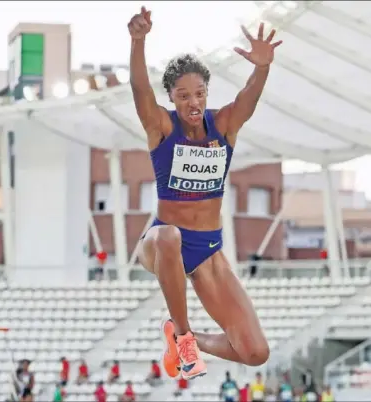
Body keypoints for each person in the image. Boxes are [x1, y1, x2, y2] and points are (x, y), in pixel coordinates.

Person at [128, 6, 281, 380]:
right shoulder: (162, 127)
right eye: (183, 96)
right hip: (162, 244)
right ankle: (182, 338)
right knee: (169, 235)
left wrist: (261, 68)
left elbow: (248, 98)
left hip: (207, 249)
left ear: (207, 93)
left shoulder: (223, 124)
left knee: (255, 352)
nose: (193, 103)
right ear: (172, 97)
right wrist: (138, 42)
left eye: (199, 94)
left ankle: (190, 341)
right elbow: (139, 90)